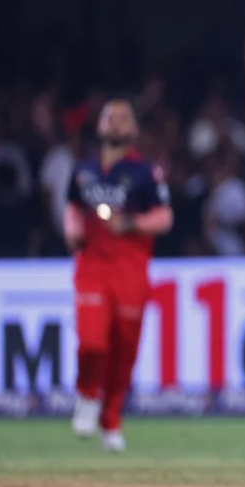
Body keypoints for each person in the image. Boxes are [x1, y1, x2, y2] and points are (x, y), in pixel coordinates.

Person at [66, 98, 173, 452]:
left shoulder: (145, 172)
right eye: (109, 118)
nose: (115, 123)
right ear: (100, 125)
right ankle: (86, 395)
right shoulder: (84, 169)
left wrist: (129, 224)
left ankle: (110, 420)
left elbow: (164, 218)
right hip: (92, 268)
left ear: (134, 129)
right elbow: (72, 207)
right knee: (92, 341)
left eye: (123, 118)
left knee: (124, 351)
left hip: (130, 271)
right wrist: (71, 230)